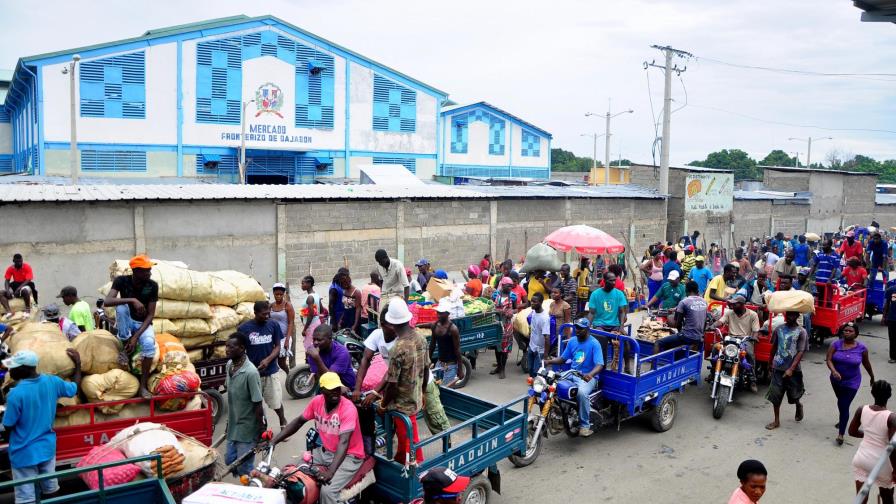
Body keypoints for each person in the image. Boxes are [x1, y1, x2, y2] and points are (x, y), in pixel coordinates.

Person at [272, 372, 364, 504]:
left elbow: (344, 442)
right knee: (292, 474)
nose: (335, 392)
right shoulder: (317, 402)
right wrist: (274, 441)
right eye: (330, 389)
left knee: (328, 491)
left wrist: (331, 472)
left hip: (350, 456)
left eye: (337, 389)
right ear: (322, 390)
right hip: (326, 452)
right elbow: (298, 422)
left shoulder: (348, 408)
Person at [2, 349, 80, 504]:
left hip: (23, 452)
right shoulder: (53, 382)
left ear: (24, 368)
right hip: (46, 448)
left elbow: (8, 424)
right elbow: (74, 388)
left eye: (13, 367)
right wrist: (78, 364)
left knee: (26, 497)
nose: (9, 370)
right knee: (51, 488)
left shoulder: (15, 394)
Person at [379, 299, 429, 463]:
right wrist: (422, 392)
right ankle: (401, 461)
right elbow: (426, 369)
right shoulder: (421, 338)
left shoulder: (398, 348)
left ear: (391, 324)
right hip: (415, 398)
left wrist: (383, 405)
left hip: (402, 406)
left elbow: (392, 386)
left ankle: (416, 471)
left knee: (410, 443)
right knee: (404, 441)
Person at [104, 254, 157, 400]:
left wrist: (136, 337)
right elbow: (107, 301)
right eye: (146, 270)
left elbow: (150, 315)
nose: (149, 273)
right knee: (121, 308)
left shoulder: (152, 285)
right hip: (127, 321)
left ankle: (143, 386)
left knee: (149, 345)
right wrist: (133, 300)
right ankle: (126, 348)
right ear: (137, 271)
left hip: (142, 324)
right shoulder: (122, 281)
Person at [544, 318, 604, 437]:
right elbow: (563, 358)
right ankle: (553, 414)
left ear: (587, 329)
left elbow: (600, 364)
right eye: (576, 327)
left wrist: (590, 375)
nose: (577, 330)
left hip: (588, 377)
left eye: (580, 328)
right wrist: (548, 361)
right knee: (549, 382)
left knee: (581, 393)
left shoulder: (594, 343)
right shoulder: (572, 341)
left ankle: (584, 426)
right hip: (572, 373)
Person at [237, 300, 287, 427]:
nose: (267, 316)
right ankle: (262, 429)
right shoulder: (244, 329)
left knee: (276, 403)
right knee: (256, 404)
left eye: (268, 313)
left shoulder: (273, 325)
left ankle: (283, 421)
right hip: (253, 374)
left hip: (271, 372)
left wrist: (268, 360)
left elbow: (277, 347)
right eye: (263, 314)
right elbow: (239, 349)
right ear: (255, 313)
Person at [223, 332, 265, 478]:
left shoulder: (251, 372)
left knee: (244, 467)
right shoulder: (229, 365)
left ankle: (253, 488)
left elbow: (258, 403)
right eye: (226, 346)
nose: (227, 349)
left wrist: (261, 430)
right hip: (234, 425)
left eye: (231, 347)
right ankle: (247, 476)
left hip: (248, 428)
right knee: (229, 460)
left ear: (242, 348)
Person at [827, 322, 875, 445]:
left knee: (844, 404)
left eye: (850, 331)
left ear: (856, 334)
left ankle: (841, 434)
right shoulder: (835, 344)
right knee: (841, 402)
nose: (847, 332)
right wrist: (833, 371)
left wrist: (872, 376)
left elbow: (866, 363)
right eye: (845, 330)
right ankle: (842, 419)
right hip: (836, 380)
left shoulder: (862, 348)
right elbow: (829, 359)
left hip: (852, 382)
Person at [849, 380, 896, 504]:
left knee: (861, 499)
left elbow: (852, 431)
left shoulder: (861, 409)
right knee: (887, 499)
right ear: (890, 395)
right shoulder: (891, 417)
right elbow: (892, 448)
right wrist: (895, 471)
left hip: (861, 459)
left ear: (872, 393)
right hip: (882, 464)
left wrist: (870, 435)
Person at [765, 311, 808, 430]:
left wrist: (791, 368)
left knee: (794, 394)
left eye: (793, 315)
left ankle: (798, 405)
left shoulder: (802, 332)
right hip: (777, 367)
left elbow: (801, 351)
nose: (790, 317)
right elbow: (774, 346)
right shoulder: (779, 329)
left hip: (793, 369)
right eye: (788, 314)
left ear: (797, 316)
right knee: (775, 395)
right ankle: (776, 421)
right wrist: (769, 363)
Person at [712, 295, 761, 392]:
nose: (732, 306)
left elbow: (756, 330)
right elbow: (720, 322)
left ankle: (752, 380)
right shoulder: (729, 313)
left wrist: (754, 337)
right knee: (715, 348)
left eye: (735, 304)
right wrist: (713, 325)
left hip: (745, 340)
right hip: (730, 338)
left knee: (750, 354)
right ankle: (713, 371)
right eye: (731, 304)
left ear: (742, 305)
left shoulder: (752, 315)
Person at [657, 281, 707, 353]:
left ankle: (654, 364)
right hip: (699, 337)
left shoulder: (684, 302)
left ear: (686, 290)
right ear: (697, 290)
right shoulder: (704, 302)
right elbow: (704, 321)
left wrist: (668, 317)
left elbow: (677, 324)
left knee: (658, 343)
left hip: (687, 337)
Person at [308, 324, 357, 391]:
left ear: (330, 339)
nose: (315, 342)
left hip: (347, 387)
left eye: (319, 340)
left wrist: (317, 358)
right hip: (327, 388)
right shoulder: (313, 351)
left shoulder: (342, 352)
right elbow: (318, 376)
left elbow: (331, 379)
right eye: (314, 339)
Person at [427, 303, 464, 388]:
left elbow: (457, 350)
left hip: (450, 366)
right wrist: (428, 361)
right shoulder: (435, 326)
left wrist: (460, 369)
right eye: (438, 312)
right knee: (436, 389)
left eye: (441, 313)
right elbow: (432, 345)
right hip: (439, 364)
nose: (438, 315)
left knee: (445, 391)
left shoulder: (453, 329)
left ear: (447, 314)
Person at [490, 278, 518, 379]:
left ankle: (503, 369)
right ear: (502, 285)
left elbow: (516, 308)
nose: (510, 288)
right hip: (497, 324)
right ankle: (499, 366)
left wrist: (512, 312)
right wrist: (496, 311)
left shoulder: (513, 296)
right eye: (508, 286)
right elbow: (491, 307)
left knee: (505, 348)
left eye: (511, 286)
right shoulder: (495, 295)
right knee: (497, 347)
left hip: (507, 325)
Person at [270, 283, 295, 373]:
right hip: (273, 338)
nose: (279, 296)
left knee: (281, 362)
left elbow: (291, 323)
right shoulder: (271, 306)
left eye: (281, 294)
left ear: (284, 294)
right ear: (273, 293)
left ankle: (289, 374)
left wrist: (287, 340)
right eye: (277, 294)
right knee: (272, 360)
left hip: (284, 337)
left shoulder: (287, 305)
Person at [526, 292, 550, 378]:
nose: (532, 303)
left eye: (534, 302)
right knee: (530, 370)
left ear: (540, 302)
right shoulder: (533, 312)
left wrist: (545, 356)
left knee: (537, 373)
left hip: (539, 351)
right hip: (531, 347)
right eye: (531, 301)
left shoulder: (544, 318)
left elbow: (547, 338)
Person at [811, 239, 842, 308]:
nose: (823, 247)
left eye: (825, 245)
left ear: (830, 245)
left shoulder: (836, 256)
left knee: (828, 299)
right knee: (820, 298)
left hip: (828, 283)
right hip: (819, 281)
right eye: (822, 245)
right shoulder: (819, 254)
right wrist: (809, 276)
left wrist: (830, 279)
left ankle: (828, 314)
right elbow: (814, 265)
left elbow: (835, 268)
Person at [299, 275, 322, 351]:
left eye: (303, 283)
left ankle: (310, 362)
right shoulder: (316, 295)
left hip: (311, 325)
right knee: (315, 345)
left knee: (310, 347)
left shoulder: (310, 298)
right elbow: (321, 310)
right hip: (316, 323)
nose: (301, 285)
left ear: (309, 284)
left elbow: (311, 314)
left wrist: (305, 329)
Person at [883, 281, 896, 364]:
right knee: (893, 338)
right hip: (892, 318)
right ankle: (893, 357)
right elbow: (887, 304)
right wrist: (884, 316)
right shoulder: (891, 289)